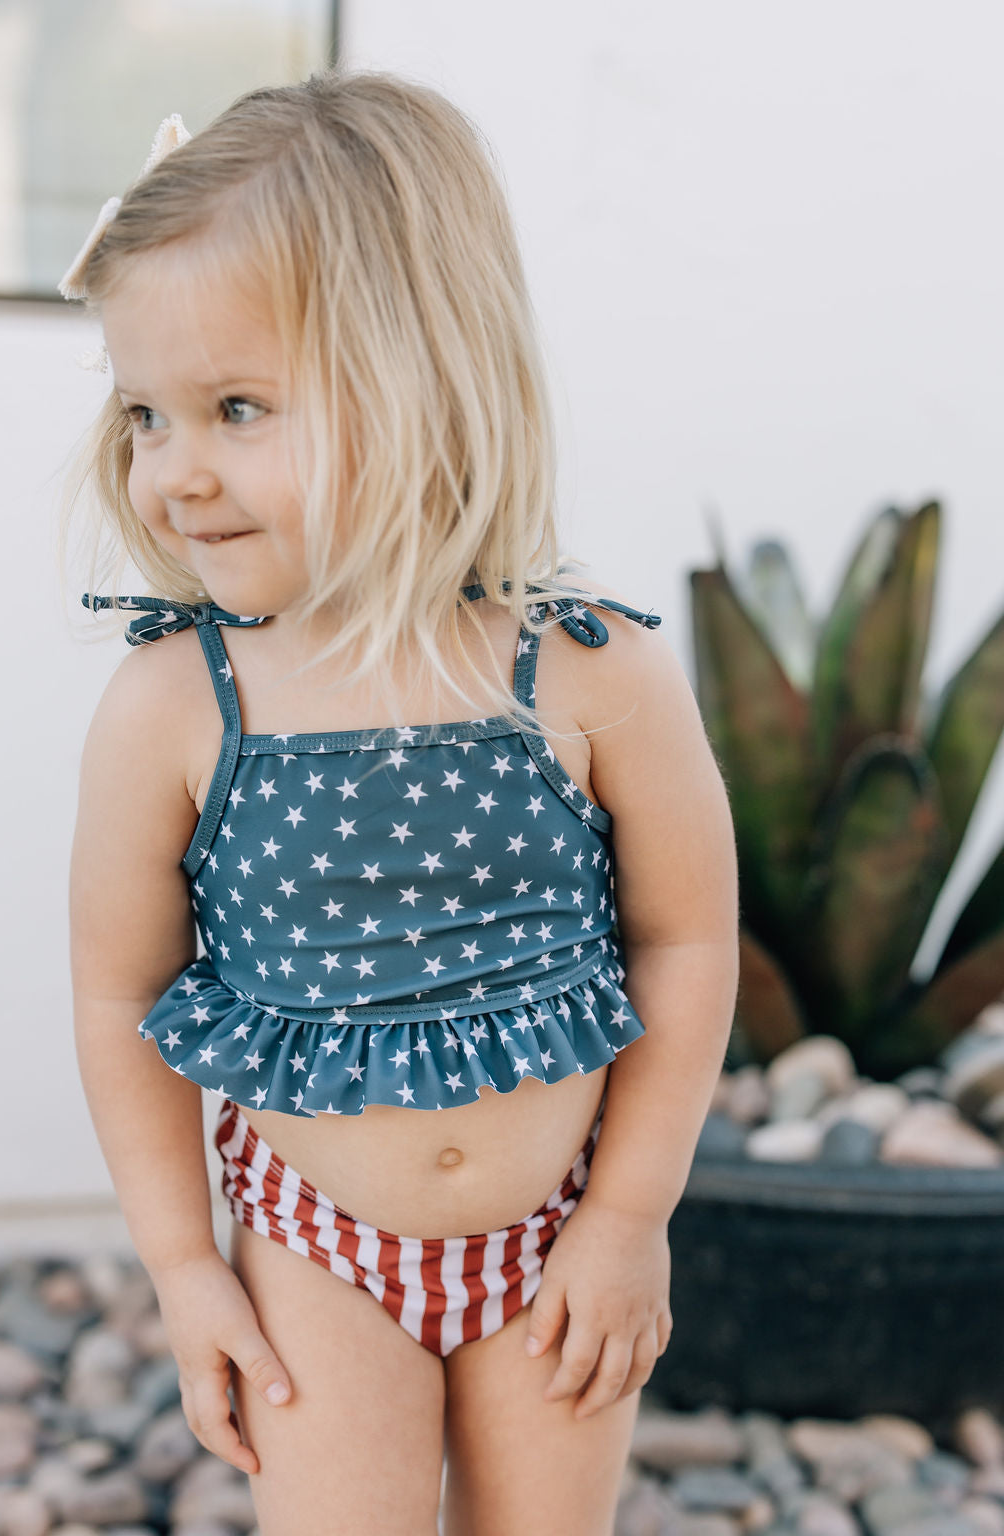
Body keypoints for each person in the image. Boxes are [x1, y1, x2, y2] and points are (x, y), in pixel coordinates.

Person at [63, 70, 739, 1536]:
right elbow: (124, 996)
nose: (173, 472)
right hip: (314, 1245)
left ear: (419, 370)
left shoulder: (587, 672)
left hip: (559, 1233)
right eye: (144, 417)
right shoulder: (181, 702)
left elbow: (686, 943)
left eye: (235, 407)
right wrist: (188, 1269)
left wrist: (629, 1219)